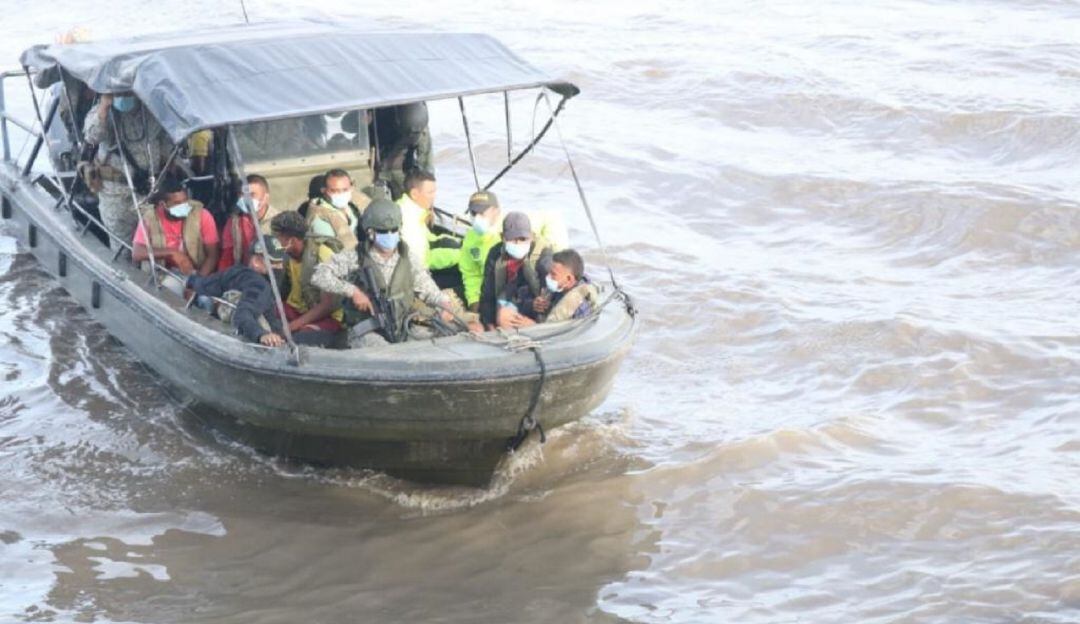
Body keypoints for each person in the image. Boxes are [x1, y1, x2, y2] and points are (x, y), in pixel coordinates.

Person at [312, 199, 462, 348]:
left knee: (448, 335)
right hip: (367, 331)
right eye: (383, 231)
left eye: (394, 230)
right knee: (383, 352)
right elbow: (319, 275)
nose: (390, 235)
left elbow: (427, 288)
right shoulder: (356, 256)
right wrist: (353, 291)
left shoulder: (407, 257)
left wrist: (443, 304)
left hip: (401, 327)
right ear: (370, 232)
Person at [83, 92, 175, 247]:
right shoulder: (101, 113)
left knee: (155, 243)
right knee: (122, 246)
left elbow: (165, 143)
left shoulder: (151, 112)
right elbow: (93, 137)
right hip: (117, 194)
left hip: (149, 190)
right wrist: (105, 106)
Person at [186, 235, 288, 347]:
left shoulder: (235, 271)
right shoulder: (260, 286)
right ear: (256, 261)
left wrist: (189, 280)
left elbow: (203, 284)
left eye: (279, 263)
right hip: (260, 336)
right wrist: (261, 335)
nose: (278, 267)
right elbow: (243, 313)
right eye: (273, 263)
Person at [271, 211, 344, 347]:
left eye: (277, 238)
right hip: (297, 310)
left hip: (325, 317)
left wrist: (292, 326)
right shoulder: (286, 255)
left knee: (302, 339)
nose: (275, 242)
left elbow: (327, 305)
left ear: (291, 241)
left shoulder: (323, 255)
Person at [478, 211, 554, 330]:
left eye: (523, 238)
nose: (518, 243)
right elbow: (487, 294)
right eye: (512, 239)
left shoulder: (543, 256)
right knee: (502, 316)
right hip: (509, 299)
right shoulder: (495, 253)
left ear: (532, 236)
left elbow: (550, 295)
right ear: (502, 237)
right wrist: (489, 325)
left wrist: (536, 324)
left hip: (532, 304)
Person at [131, 175, 219, 276]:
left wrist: (196, 283)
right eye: (177, 203)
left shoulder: (202, 215)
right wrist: (172, 253)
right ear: (163, 204)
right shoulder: (150, 218)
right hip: (160, 275)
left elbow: (213, 256)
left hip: (196, 274)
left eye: (185, 201)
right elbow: (137, 253)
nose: (183, 206)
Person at [397, 170, 461, 272]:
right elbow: (423, 261)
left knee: (453, 245)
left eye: (435, 191)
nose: (434, 196)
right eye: (430, 192)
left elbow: (432, 239)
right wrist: (461, 255)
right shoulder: (408, 222)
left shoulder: (409, 208)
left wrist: (461, 242)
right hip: (416, 274)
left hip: (419, 262)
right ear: (414, 194)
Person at [218, 174, 282, 271]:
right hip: (243, 276)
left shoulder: (280, 222)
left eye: (252, 195)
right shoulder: (234, 222)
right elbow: (227, 256)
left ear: (266, 198)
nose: (246, 199)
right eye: (242, 194)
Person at [370, 103, 433, 200]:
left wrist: (426, 189)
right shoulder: (375, 110)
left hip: (401, 168)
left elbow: (425, 161)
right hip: (375, 165)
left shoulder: (418, 121)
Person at [533, 249, 600, 323]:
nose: (548, 276)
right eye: (549, 272)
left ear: (569, 279)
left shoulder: (580, 307)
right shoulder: (560, 287)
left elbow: (571, 331)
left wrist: (532, 326)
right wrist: (540, 305)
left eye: (553, 274)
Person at [306, 168, 363, 250]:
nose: (341, 194)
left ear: (351, 188)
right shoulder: (320, 218)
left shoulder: (351, 206)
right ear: (324, 190)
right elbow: (331, 252)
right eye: (334, 191)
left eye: (345, 190)